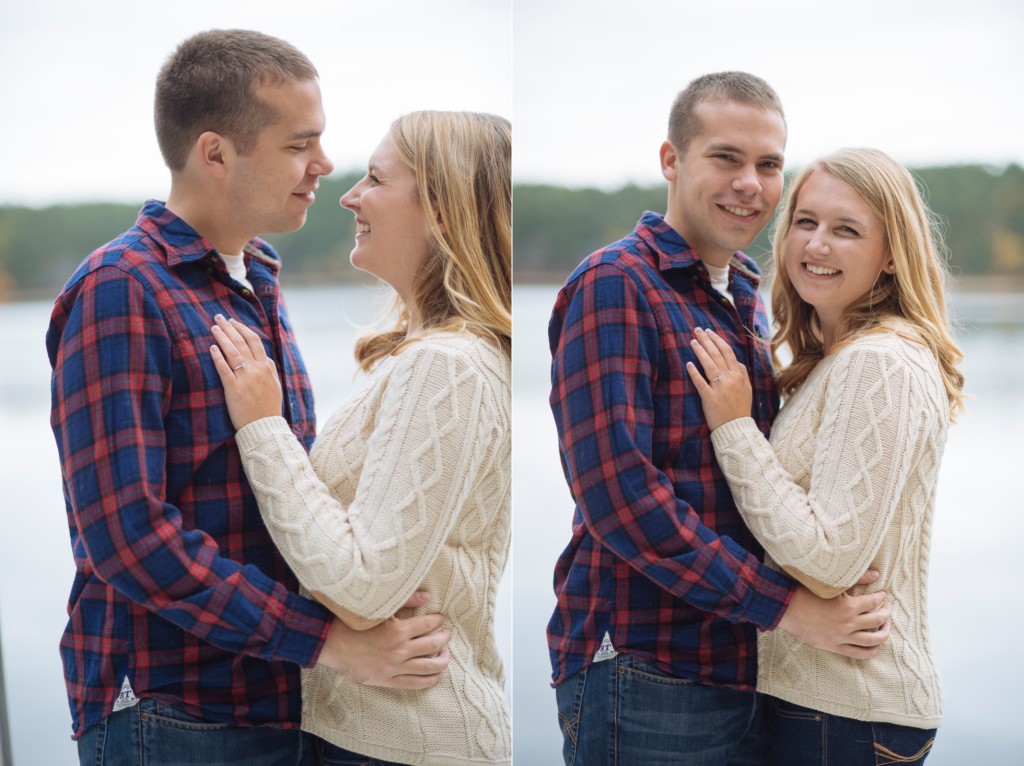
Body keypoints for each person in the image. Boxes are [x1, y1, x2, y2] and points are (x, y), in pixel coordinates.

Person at [46, 30, 450, 766]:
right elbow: (127, 536)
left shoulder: (255, 277)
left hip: (274, 703)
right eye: (301, 145)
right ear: (215, 153)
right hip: (172, 712)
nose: (325, 166)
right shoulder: (122, 288)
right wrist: (329, 642)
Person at [547, 72, 894, 766]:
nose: (750, 183)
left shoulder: (744, 290)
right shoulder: (616, 283)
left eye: (768, 165)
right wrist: (789, 609)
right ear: (672, 161)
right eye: (726, 158)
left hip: (739, 663)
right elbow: (620, 498)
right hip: (645, 669)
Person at [207, 110, 512, 766]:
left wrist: (264, 427)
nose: (349, 196)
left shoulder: (448, 366)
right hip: (375, 735)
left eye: (375, 179)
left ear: (442, 210)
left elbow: (365, 585)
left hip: (412, 738)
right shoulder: (429, 358)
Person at [686, 147, 964, 765]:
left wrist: (734, 430)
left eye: (847, 230)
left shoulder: (879, 363)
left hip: (846, 708)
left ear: (891, 256)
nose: (816, 245)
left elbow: (829, 562)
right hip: (833, 704)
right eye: (806, 222)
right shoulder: (841, 360)